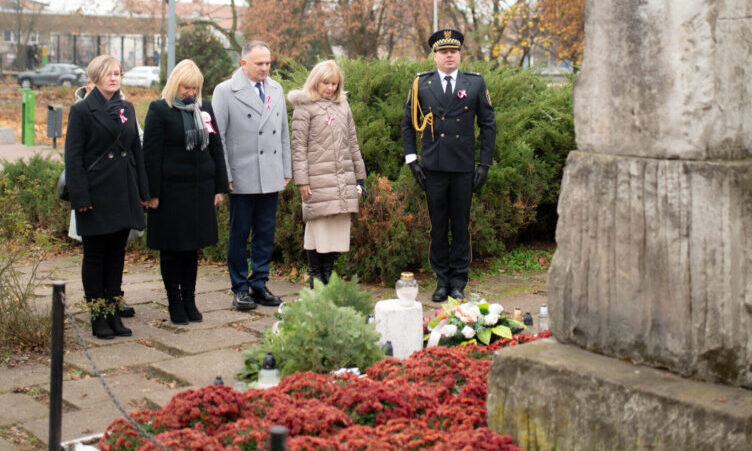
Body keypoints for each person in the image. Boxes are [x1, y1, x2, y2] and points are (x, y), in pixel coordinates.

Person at [401, 29, 496, 302]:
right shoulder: (422, 84)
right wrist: (412, 161)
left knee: (461, 225)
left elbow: (488, 125)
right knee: (439, 225)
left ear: (460, 54)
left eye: (454, 51)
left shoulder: (475, 83)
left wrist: (484, 164)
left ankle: (458, 282)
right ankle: (442, 281)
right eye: (443, 51)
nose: (449, 55)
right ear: (435, 56)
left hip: (464, 167)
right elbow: (407, 124)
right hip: (434, 167)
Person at [64, 55, 150, 339]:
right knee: (95, 255)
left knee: (117, 255)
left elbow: (136, 151)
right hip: (96, 194)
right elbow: (73, 158)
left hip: (124, 192)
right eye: (109, 73)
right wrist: (80, 198)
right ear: (95, 76)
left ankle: (114, 312)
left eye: (118, 73)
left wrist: (143, 192)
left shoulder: (127, 107)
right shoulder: (82, 111)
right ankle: (99, 316)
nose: (114, 78)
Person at [142, 59, 228, 324]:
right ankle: (174, 302)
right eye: (185, 87)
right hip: (170, 193)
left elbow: (215, 147)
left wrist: (219, 187)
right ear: (174, 84)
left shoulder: (205, 108)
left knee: (192, 250)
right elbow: (151, 154)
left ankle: (190, 299)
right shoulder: (159, 110)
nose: (190, 93)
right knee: (172, 250)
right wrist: (151, 193)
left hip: (199, 191)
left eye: (194, 88)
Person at [212, 41, 291, 310]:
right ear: (243, 63)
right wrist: (225, 175)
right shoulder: (225, 91)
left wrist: (286, 169)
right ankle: (239, 287)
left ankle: (259, 283)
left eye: (268, 63)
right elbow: (218, 138)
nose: (265, 68)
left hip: (270, 173)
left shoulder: (276, 89)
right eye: (259, 63)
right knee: (239, 233)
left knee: (265, 233)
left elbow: (283, 132)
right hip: (241, 174)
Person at [288, 60, 367, 287]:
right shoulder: (305, 108)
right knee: (318, 230)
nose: (330, 88)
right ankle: (316, 278)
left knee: (335, 234)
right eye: (326, 83)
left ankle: (328, 277)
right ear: (315, 81)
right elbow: (299, 147)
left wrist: (359, 176)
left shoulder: (343, 106)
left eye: (334, 83)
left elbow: (352, 142)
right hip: (317, 181)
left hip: (342, 180)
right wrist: (302, 180)